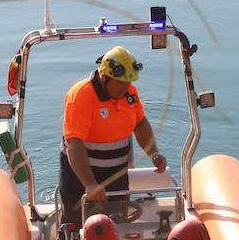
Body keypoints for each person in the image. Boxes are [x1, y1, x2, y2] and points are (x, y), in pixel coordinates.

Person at [58, 45, 168, 223]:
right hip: (82, 177)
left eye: (129, 82)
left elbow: (140, 123)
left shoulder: (129, 93)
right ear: (104, 77)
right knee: (74, 229)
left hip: (117, 175)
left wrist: (153, 152)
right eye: (121, 82)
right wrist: (90, 184)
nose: (126, 87)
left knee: (117, 227)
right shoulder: (81, 95)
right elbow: (74, 142)